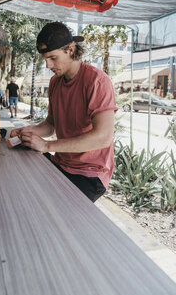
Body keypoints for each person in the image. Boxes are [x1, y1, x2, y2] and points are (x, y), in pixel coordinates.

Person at [10, 22, 117, 203]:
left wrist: (47, 146)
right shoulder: (55, 82)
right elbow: (50, 125)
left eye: (53, 58)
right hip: (61, 163)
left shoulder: (97, 81)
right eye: (45, 59)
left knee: (51, 215)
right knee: (21, 189)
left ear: (70, 50)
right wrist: (28, 132)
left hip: (90, 173)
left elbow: (103, 137)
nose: (48, 65)